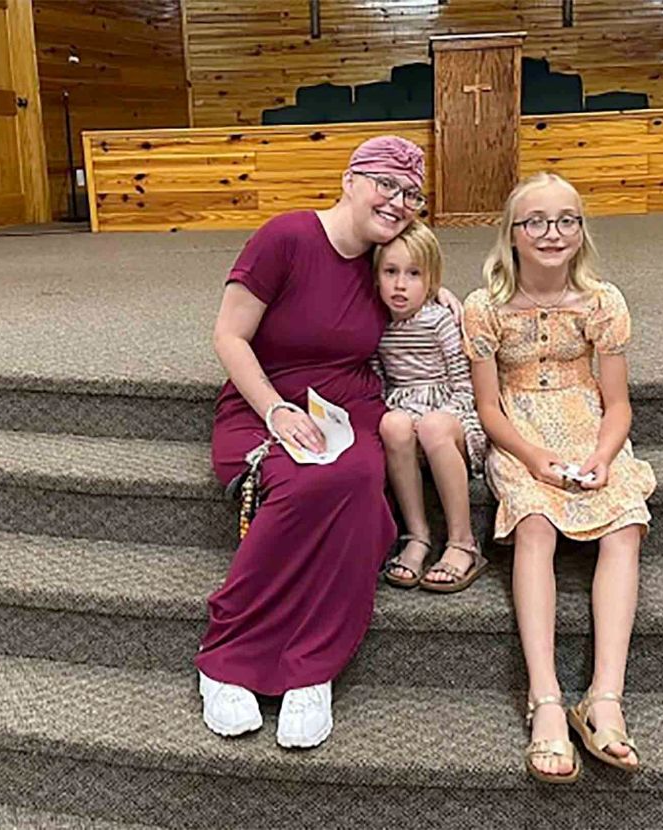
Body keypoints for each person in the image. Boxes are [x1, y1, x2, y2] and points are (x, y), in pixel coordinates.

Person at [196, 135, 453, 749]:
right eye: (386, 184)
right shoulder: (285, 237)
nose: (398, 201)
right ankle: (227, 654)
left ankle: (311, 668)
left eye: (412, 193)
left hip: (351, 403)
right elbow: (230, 337)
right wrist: (276, 410)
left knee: (359, 482)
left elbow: (415, 280)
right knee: (305, 482)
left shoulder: (383, 257)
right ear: (350, 179)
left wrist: (441, 293)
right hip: (267, 399)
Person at [462, 172, 656, 783]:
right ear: (512, 235)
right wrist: (530, 456)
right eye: (536, 222)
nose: (552, 233)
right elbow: (489, 409)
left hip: (585, 420)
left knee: (625, 524)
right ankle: (545, 698)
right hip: (521, 428)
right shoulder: (485, 307)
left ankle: (604, 698)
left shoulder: (603, 301)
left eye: (566, 220)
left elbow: (619, 404)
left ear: (581, 231)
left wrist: (603, 454)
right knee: (537, 523)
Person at [372, 221, 488, 593]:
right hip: (403, 410)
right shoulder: (375, 323)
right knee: (392, 424)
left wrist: (431, 418)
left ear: (432, 279)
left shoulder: (440, 320)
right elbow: (378, 382)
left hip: (449, 417)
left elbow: (464, 386)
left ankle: (463, 541)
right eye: (390, 272)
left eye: (413, 274)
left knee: (435, 426)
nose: (400, 285)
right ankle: (417, 536)